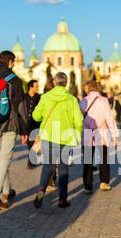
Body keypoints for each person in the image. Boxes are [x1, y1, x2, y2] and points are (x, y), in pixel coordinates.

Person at [32, 72, 84, 209]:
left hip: (48, 136)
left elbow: (36, 116)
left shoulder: (45, 97)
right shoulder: (72, 99)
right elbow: (79, 120)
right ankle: (62, 199)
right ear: (65, 83)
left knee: (47, 167)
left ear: (54, 82)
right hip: (65, 138)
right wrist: (77, 135)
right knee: (63, 168)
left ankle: (41, 190)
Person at [0, 51, 29, 211]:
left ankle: (7, 191)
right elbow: (20, 107)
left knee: (2, 159)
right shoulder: (14, 80)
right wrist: (24, 130)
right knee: (4, 161)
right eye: (14, 61)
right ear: (10, 62)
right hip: (9, 125)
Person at [80, 80, 119, 193]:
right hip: (101, 133)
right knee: (104, 159)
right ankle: (104, 182)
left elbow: (79, 119)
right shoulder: (104, 101)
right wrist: (115, 135)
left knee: (87, 161)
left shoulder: (83, 101)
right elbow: (109, 119)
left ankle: (87, 187)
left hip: (87, 134)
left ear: (89, 89)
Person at [25, 80, 41, 169]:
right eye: (36, 86)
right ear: (30, 87)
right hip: (26, 124)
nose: (37, 88)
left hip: (35, 124)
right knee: (29, 143)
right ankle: (31, 159)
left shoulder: (39, 97)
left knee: (33, 143)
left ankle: (31, 161)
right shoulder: (24, 96)